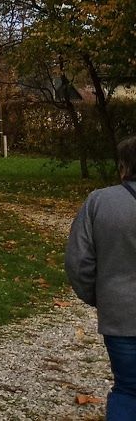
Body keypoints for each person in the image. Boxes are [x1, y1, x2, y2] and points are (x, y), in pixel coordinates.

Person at [67, 134, 136, 420]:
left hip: (120, 316)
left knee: (128, 390)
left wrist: (101, 296)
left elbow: (78, 262)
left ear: (123, 167)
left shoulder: (99, 202)